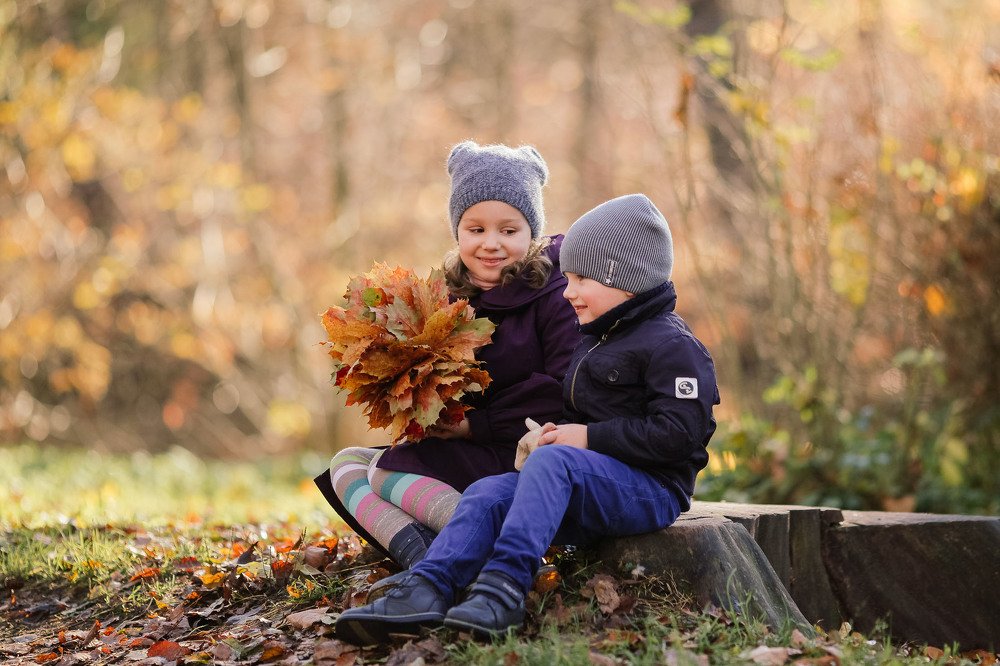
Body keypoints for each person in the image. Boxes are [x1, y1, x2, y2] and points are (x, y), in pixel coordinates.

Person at [334, 193, 720, 645]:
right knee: (489, 492)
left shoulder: (673, 346)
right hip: (590, 481)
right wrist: (553, 435)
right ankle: (430, 585)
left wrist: (586, 438)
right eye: (567, 278)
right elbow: (577, 418)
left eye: (581, 279)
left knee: (554, 463)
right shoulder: (596, 339)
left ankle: (503, 587)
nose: (568, 291)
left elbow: (680, 434)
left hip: (650, 489)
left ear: (624, 278)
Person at [314, 141, 581, 575]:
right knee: (347, 464)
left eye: (508, 231)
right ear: (458, 232)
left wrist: (475, 425)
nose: (491, 244)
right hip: (469, 444)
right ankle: (428, 560)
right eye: (476, 229)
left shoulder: (556, 296)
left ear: (531, 232)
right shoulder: (448, 297)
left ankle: (475, 556)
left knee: (386, 471)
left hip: (523, 452)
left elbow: (565, 391)